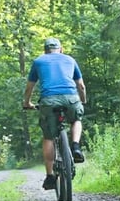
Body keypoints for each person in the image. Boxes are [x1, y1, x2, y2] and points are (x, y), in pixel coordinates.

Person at [23, 37, 87, 190]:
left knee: (48, 137)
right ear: (61, 49)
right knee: (76, 119)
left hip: (48, 100)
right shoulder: (70, 60)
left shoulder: (38, 61)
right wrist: (82, 101)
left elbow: (29, 88)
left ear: (45, 50)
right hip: (71, 98)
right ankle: (76, 147)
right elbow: (81, 86)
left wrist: (27, 104)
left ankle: (50, 176)